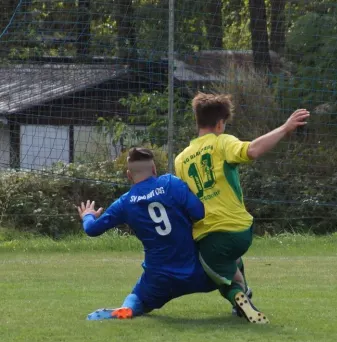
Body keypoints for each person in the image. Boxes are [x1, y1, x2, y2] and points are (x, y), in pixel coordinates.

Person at [174, 92, 310, 324]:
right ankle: (242, 301)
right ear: (220, 123)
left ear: (197, 121)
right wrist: (285, 128)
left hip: (210, 235)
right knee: (232, 259)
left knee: (221, 278)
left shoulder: (181, 160)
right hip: (241, 230)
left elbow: (184, 202)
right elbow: (253, 150)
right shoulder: (223, 141)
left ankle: (240, 296)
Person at [78, 147, 217, 320]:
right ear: (154, 169)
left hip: (158, 279)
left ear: (129, 175)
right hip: (196, 271)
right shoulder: (171, 184)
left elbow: (92, 230)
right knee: (229, 266)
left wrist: (88, 216)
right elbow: (199, 212)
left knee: (138, 297)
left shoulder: (125, 202)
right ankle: (239, 298)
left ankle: (127, 308)